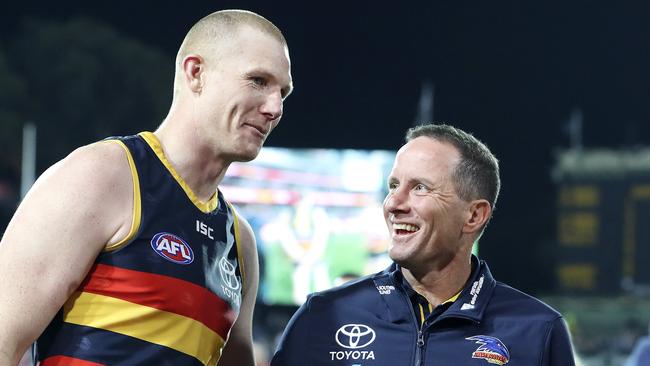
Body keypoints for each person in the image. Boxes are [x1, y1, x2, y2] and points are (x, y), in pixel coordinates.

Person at [0, 9, 293, 366]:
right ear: (195, 73)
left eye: (284, 92)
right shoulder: (104, 175)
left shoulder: (239, 243)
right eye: (258, 81)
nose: (275, 107)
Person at [271, 123, 575, 365]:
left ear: (473, 215)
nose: (394, 203)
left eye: (419, 188)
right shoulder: (323, 316)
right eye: (393, 186)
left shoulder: (537, 331)